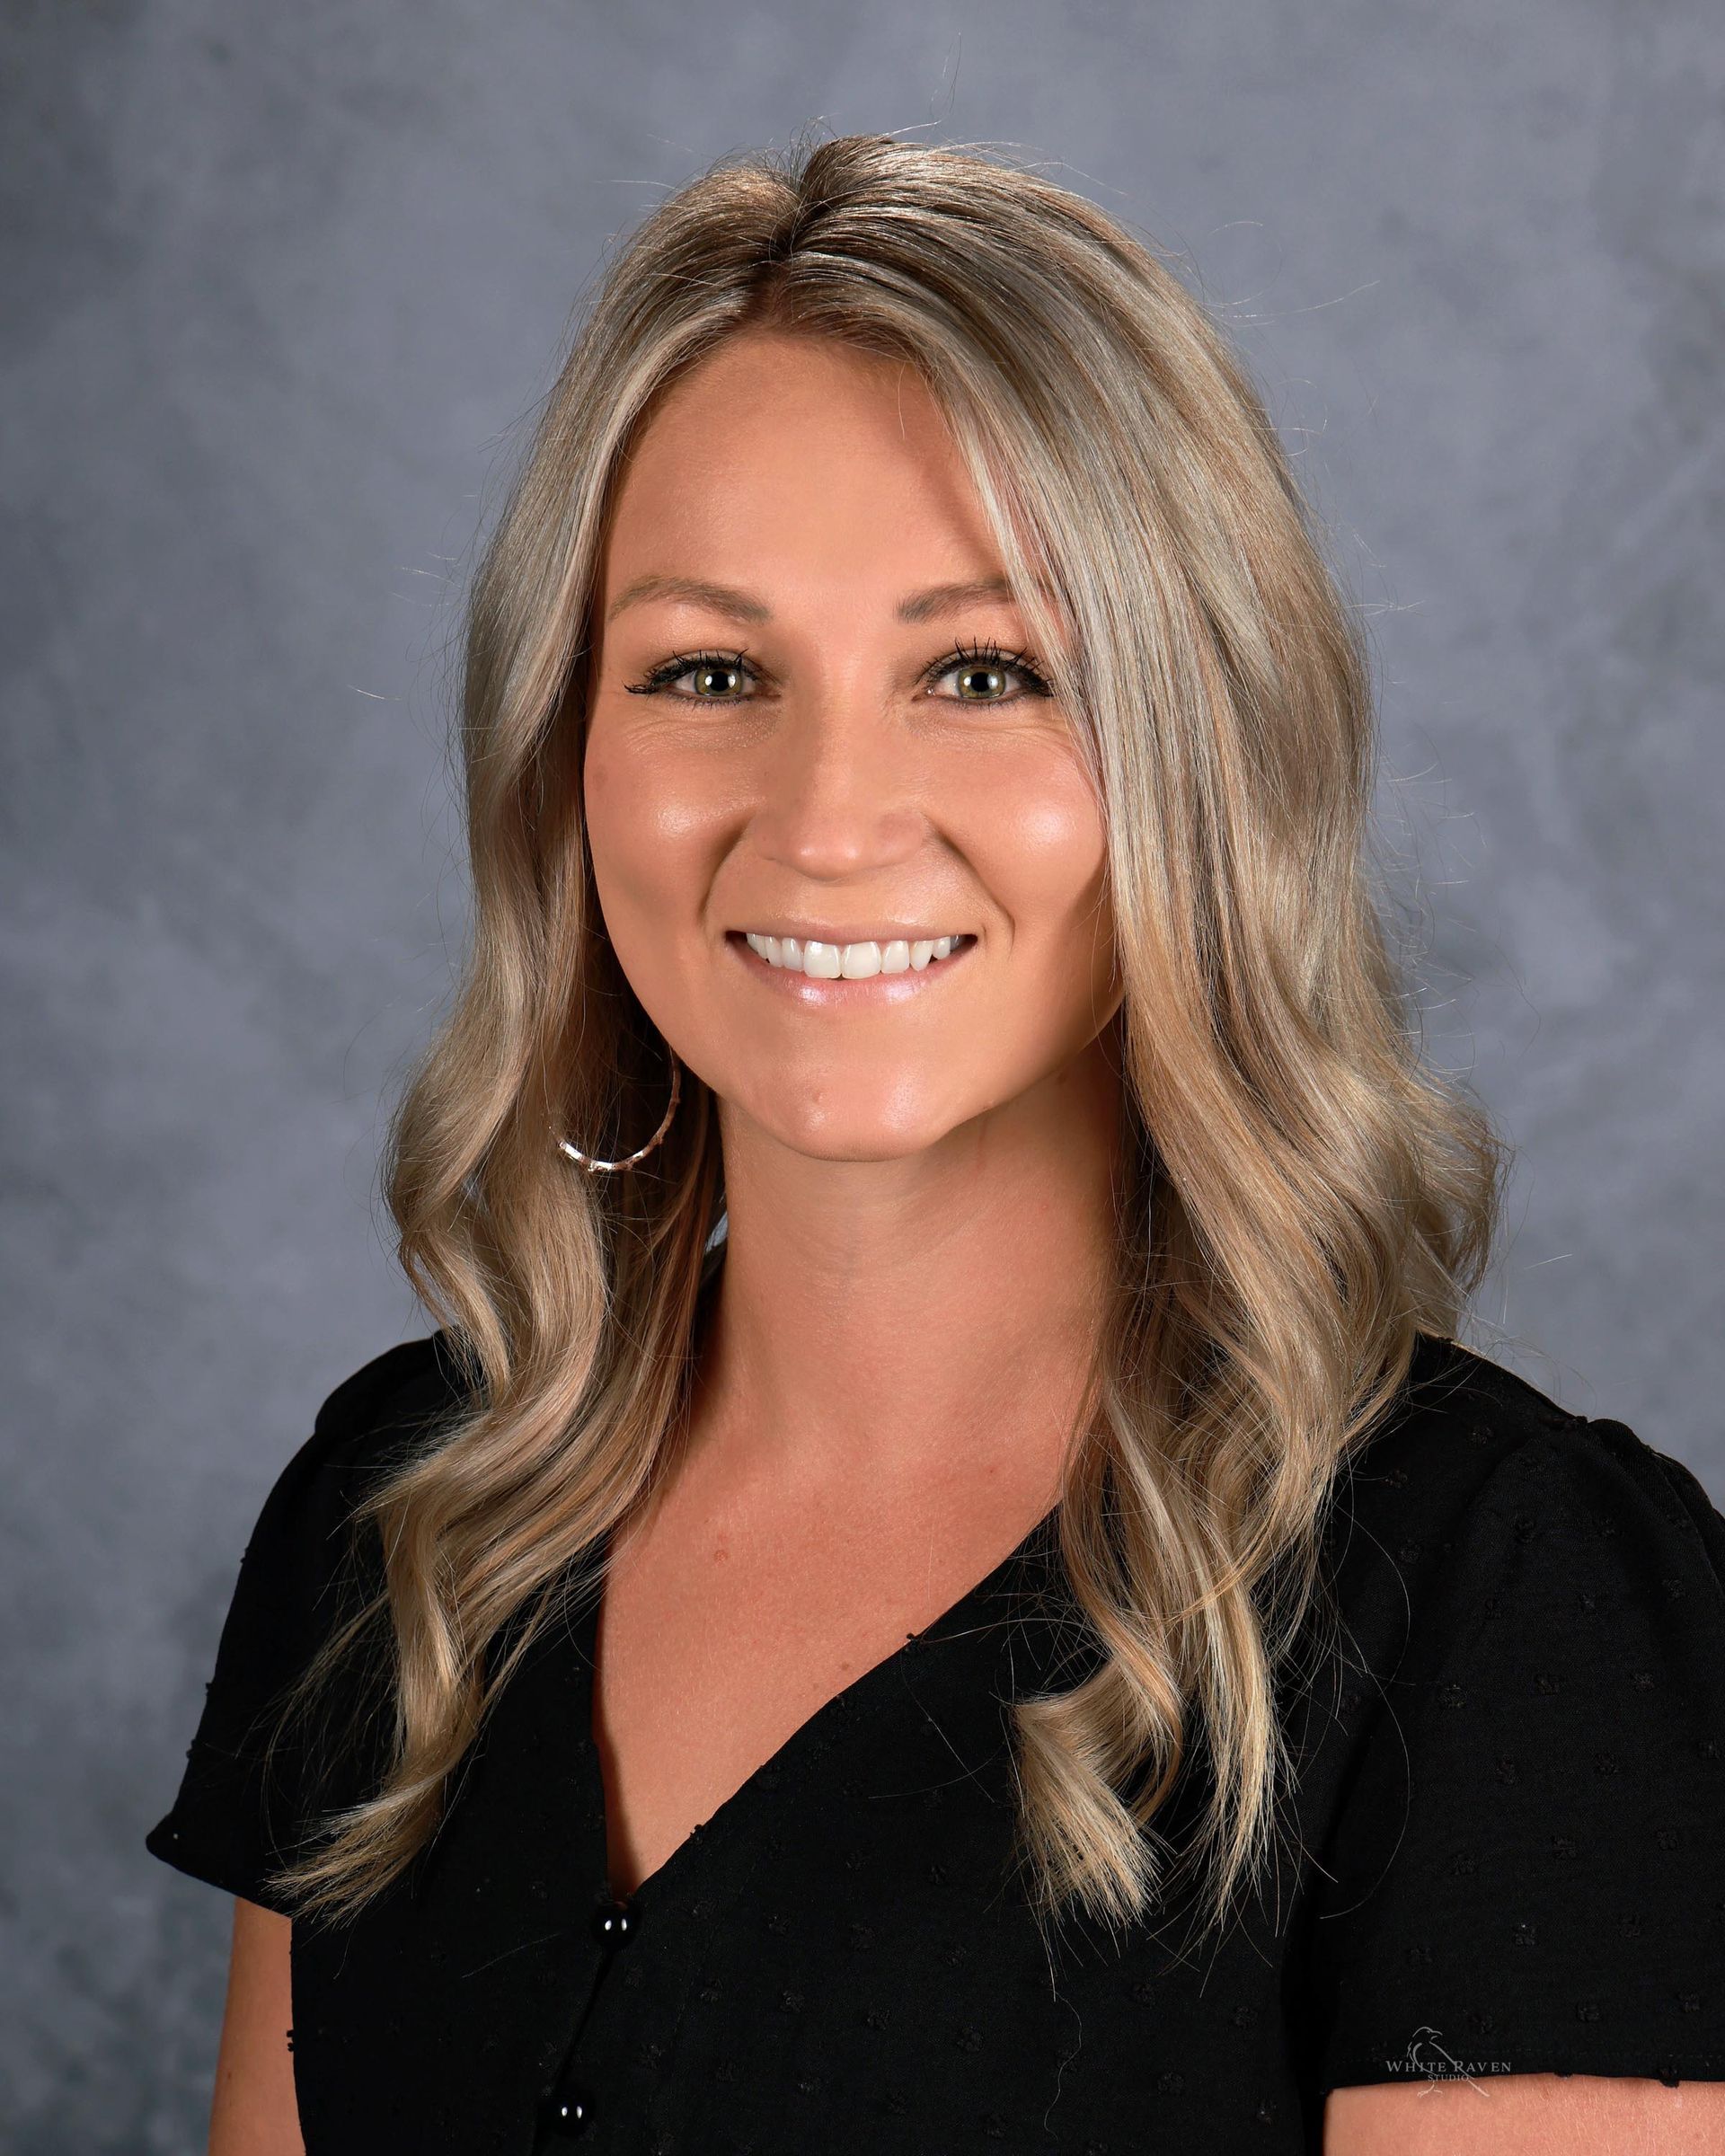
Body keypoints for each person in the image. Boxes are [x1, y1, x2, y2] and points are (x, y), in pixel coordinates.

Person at [145, 132, 1725, 2155]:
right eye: (708, 672)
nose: (828, 817)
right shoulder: (407, 1526)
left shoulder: (1503, 1604)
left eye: (986, 672)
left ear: (1202, 759)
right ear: (565, 760)